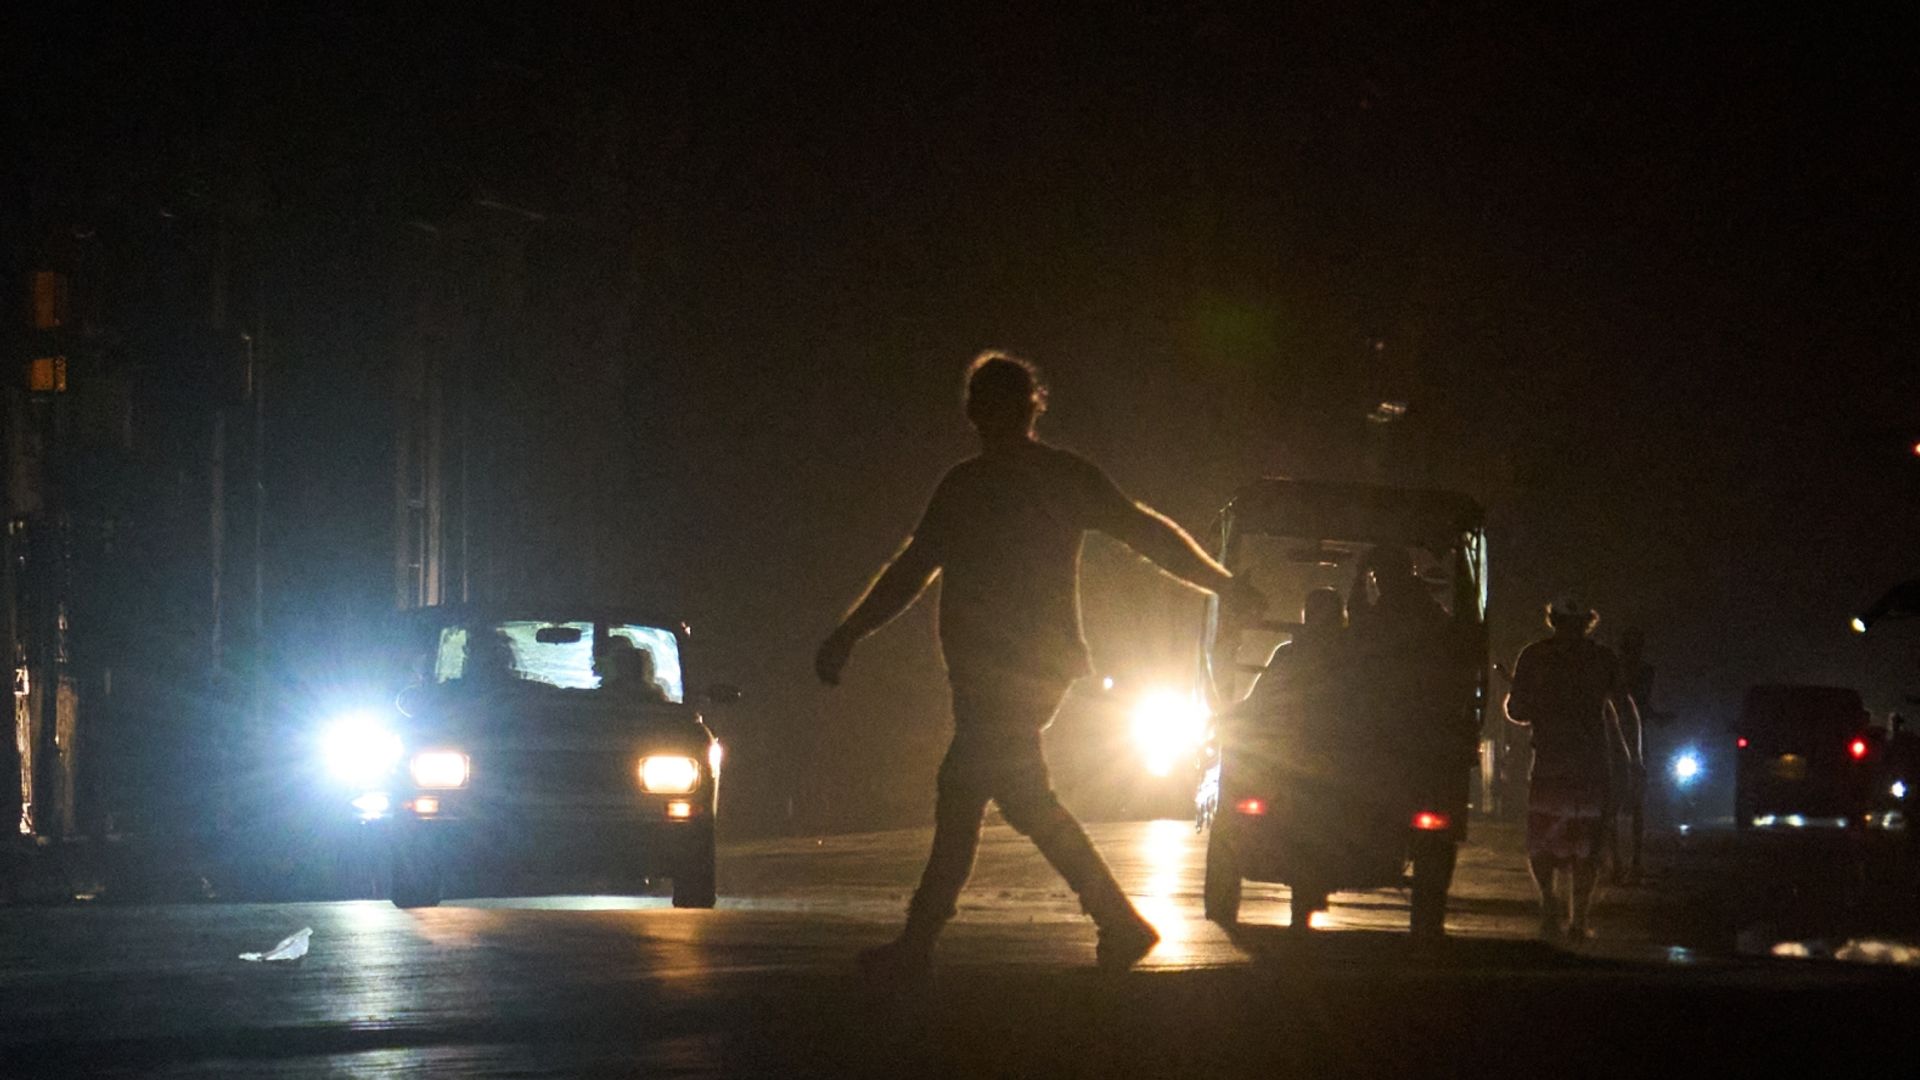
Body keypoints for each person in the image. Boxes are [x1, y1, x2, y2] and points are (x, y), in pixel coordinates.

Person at [815, 351, 1264, 979]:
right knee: (998, 795)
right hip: (1019, 670)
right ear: (1032, 407)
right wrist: (1222, 584)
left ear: (981, 411)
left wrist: (848, 634)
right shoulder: (1043, 478)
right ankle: (1105, 921)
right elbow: (1145, 534)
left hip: (1008, 672)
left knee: (980, 790)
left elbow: (911, 572)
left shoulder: (975, 484)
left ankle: (939, 940)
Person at [1504, 595, 1633, 942]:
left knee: (1543, 840)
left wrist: (1535, 701)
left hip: (1550, 764)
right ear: (1588, 622)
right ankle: (1578, 921)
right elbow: (1622, 709)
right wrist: (1630, 759)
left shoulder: (1534, 655)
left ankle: (1549, 901)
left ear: (1553, 620)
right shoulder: (1603, 658)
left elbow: (1516, 710)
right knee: (1587, 845)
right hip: (1591, 766)